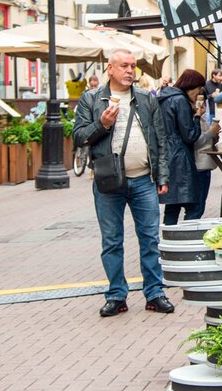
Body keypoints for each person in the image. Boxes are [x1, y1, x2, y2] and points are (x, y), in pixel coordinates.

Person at [74, 49, 173, 317]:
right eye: (124, 66)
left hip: (143, 180)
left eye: (133, 66)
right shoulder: (91, 99)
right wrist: (102, 124)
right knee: (112, 241)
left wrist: (163, 176)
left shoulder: (146, 98)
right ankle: (116, 295)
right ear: (110, 69)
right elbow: (79, 137)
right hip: (108, 183)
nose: (130, 71)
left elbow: (160, 139)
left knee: (150, 239)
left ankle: (155, 293)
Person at [158, 69, 206, 224]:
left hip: (166, 153)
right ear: (192, 86)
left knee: (172, 205)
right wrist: (197, 116)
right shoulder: (180, 100)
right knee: (194, 206)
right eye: (199, 88)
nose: (200, 92)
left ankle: (169, 236)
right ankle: (186, 236)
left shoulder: (165, 97)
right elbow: (190, 135)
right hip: (180, 157)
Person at [193, 110, 222, 221]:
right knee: (197, 208)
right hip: (198, 166)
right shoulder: (192, 119)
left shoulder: (202, 119)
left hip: (205, 166)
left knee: (200, 207)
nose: (203, 107)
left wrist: (214, 136)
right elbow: (194, 141)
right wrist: (210, 132)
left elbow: (206, 141)